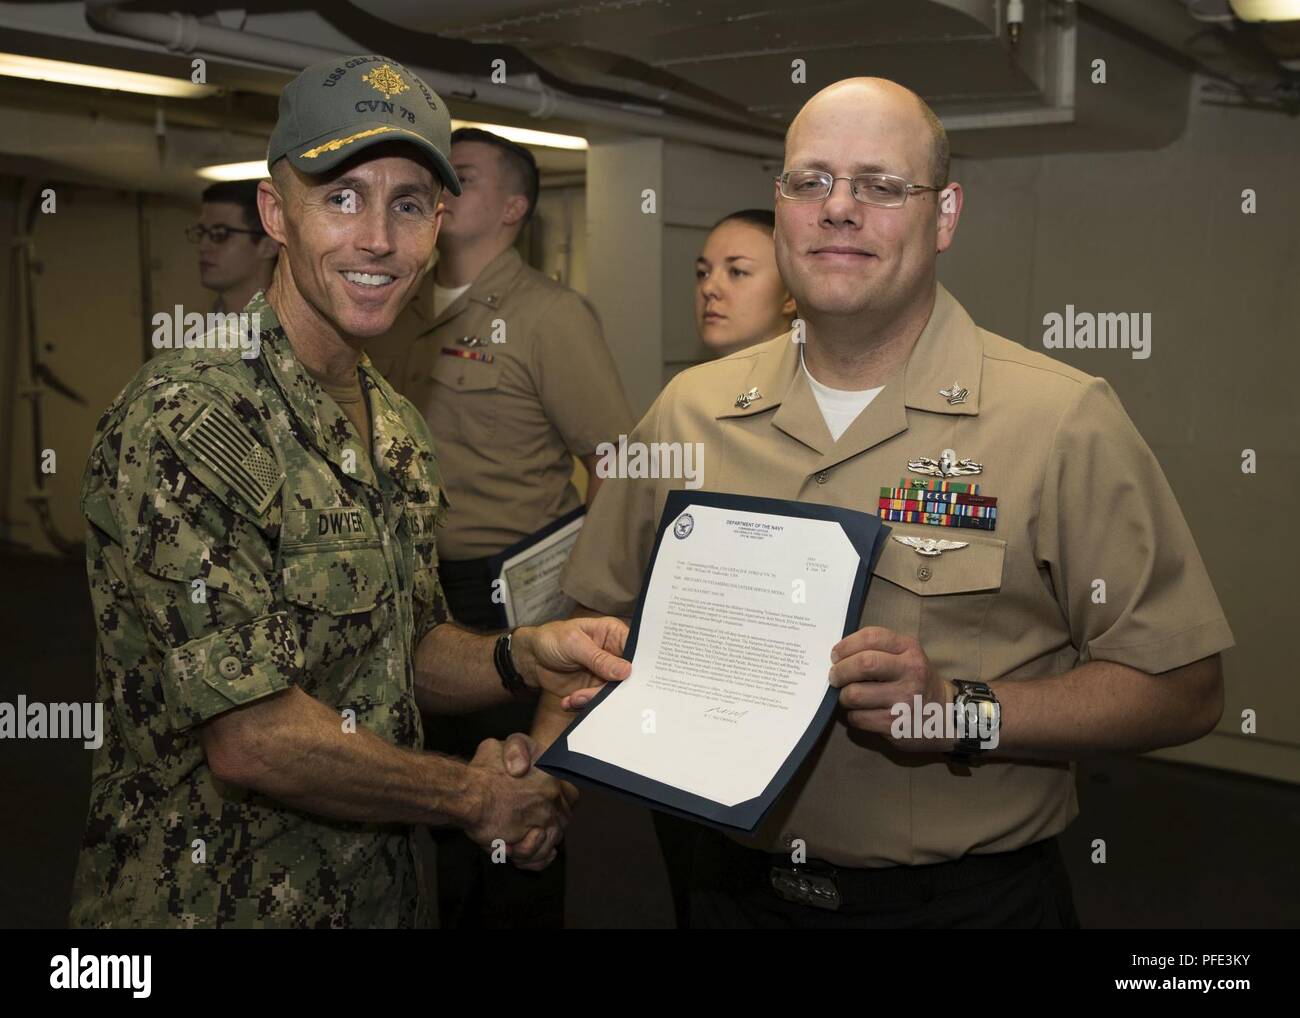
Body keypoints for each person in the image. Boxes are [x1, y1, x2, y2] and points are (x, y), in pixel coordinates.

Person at [548, 76, 1233, 929]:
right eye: (811, 181)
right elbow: (591, 625)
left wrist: (960, 713)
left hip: (958, 909)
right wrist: (541, 781)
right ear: (783, 204)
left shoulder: (1060, 420)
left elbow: (1184, 688)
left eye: (879, 185)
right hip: (727, 890)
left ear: (943, 216)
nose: (839, 209)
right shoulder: (689, 409)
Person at [71, 54, 629, 929]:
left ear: (437, 224)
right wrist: (474, 797)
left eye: (408, 203)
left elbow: (398, 650)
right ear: (275, 213)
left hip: (382, 894)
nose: (378, 238)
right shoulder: (187, 415)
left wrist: (519, 656)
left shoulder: (397, 424)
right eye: (342, 196)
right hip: (218, 903)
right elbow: (252, 736)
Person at [369, 127, 633, 928]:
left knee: (518, 804)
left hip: (514, 594)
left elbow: (616, 461)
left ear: (515, 207)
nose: (445, 190)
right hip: (414, 589)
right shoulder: (396, 304)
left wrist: (582, 590)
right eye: (438, 177)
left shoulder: (550, 316)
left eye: (467, 177)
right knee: (437, 796)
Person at [695, 209, 796, 358]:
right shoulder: (686, 381)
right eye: (703, 273)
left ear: (791, 296)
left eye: (737, 271)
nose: (708, 288)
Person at [188, 179, 280, 313]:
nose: (203, 247)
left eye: (220, 234)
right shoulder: (203, 330)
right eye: (201, 232)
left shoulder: (296, 331)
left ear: (269, 246)